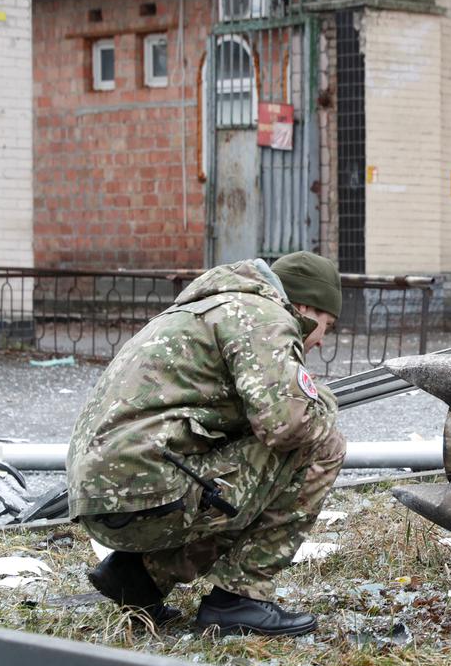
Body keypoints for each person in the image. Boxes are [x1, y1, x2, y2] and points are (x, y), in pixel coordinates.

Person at [66, 252, 347, 636]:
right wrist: (322, 403)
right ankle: (239, 598)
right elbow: (286, 426)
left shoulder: (209, 307)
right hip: (146, 493)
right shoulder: (264, 316)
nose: (319, 341)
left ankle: (140, 577)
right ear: (306, 306)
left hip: (104, 496)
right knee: (321, 445)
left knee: (251, 463)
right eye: (326, 326)